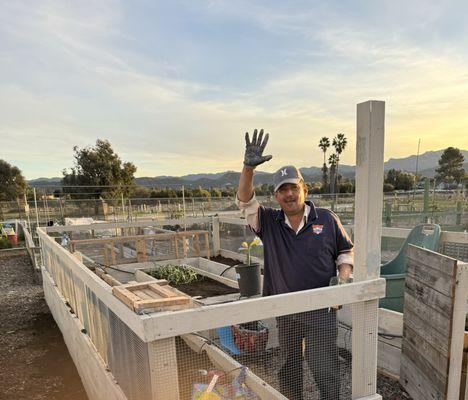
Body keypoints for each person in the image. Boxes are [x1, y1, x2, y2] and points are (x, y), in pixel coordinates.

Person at [236, 129, 354, 400]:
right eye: (282, 190)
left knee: (324, 364)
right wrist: (247, 169)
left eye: (293, 187)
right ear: (276, 196)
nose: (289, 194)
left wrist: (343, 278)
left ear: (304, 189)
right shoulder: (268, 222)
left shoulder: (326, 219)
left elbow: (345, 251)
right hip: (286, 309)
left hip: (321, 308)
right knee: (289, 366)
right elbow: (244, 201)